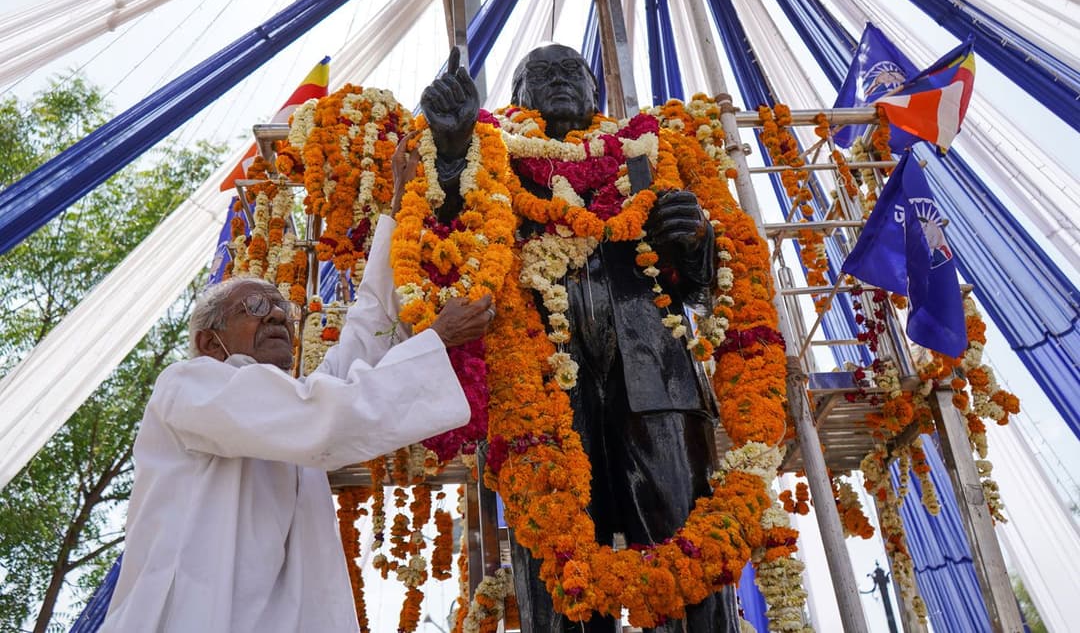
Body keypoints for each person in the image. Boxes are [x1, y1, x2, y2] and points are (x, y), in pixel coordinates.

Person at [101, 134, 493, 632]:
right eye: (258, 307)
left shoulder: (284, 409)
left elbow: (366, 336)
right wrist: (436, 339)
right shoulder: (189, 385)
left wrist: (399, 206)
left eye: (285, 312)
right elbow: (324, 417)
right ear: (208, 340)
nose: (280, 321)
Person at [421, 45, 738, 632]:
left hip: (654, 371)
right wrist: (450, 152)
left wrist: (695, 239)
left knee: (689, 555)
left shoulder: (647, 150)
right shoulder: (496, 152)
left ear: (597, 92)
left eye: (573, 71)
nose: (560, 80)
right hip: (539, 382)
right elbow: (456, 236)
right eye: (540, 74)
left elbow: (699, 286)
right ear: (518, 96)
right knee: (555, 566)